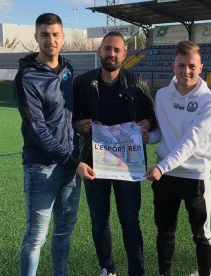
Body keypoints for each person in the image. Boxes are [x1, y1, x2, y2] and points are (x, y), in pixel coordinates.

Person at [13, 13, 95, 276]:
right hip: (42, 167)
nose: (51, 40)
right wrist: (75, 162)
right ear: (36, 37)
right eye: (45, 34)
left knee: (63, 232)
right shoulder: (26, 78)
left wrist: (76, 124)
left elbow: (62, 115)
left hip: (70, 166)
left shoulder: (68, 69)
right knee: (35, 237)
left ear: (63, 37)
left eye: (56, 34)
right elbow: (38, 129)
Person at [73, 31, 156, 276]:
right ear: (100, 51)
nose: (112, 54)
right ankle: (107, 269)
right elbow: (69, 117)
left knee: (130, 220)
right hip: (93, 163)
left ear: (124, 54)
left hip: (128, 165)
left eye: (116, 50)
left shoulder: (137, 83)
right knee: (99, 221)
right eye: (107, 48)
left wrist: (146, 126)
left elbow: (152, 116)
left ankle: (136, 270)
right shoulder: (83, 83)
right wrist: (78, 124)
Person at [144, 41, 211, 276]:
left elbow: (191, 142)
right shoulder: (162, 95)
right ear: (173, 66)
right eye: (181, 65)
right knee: (165, 232)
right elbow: (162, 134)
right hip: (166, 178)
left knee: (201, 235)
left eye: (191, 66)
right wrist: (147, 136)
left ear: (200, 68)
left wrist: (161, 166)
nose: (185, 71)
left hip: (195, 177)